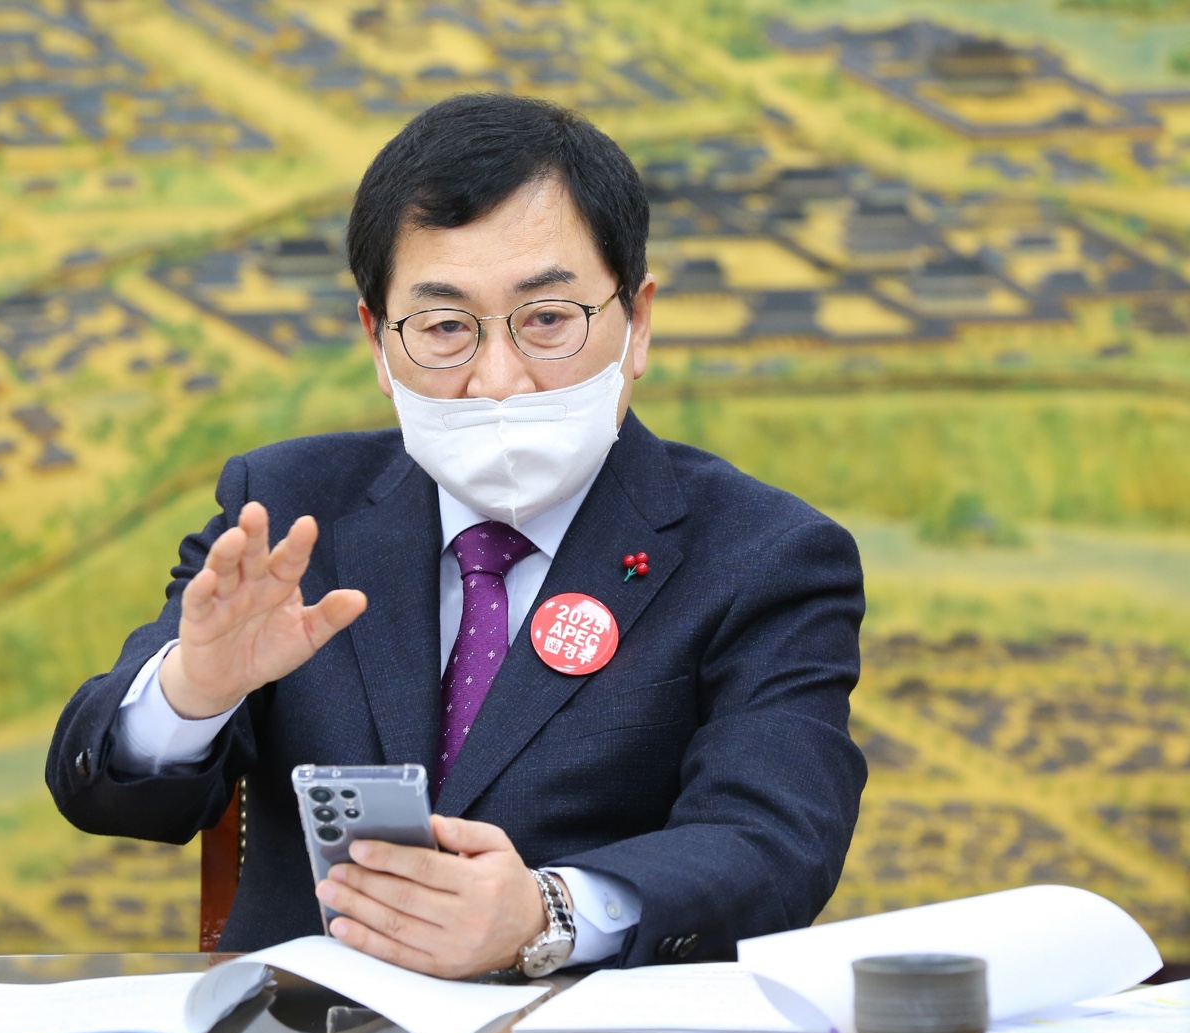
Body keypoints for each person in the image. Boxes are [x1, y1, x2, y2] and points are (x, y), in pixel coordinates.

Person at [47, 94, 865, 978]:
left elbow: (774, 843)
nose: (499, 378)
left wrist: (545, 914)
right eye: (445, 328)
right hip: (306, 1032)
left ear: (637, 324)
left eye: (547, 318)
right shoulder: (286, 512)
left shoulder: (766, 556)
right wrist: (192, 694)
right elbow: (109, 799)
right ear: (377, 341)